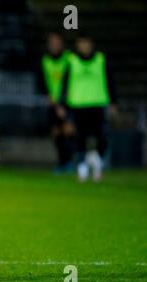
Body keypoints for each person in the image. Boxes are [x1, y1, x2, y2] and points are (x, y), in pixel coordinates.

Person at [58, 33, 117, 182]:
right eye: (81, 43)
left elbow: (110, 82)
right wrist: (61, 105)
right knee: (78, 138)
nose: (84, 46)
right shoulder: (72, 61)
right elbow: (64, 85)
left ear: (91, 44)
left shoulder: (101, 60)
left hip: (97, 104)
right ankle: (82, 165)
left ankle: (97, 161)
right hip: (77, 105)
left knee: (102, 137)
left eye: (86, 43)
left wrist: (114, 103)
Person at [39, 32, 74, 173]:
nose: (54, 45)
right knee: (56, 133)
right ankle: (61, 163)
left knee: (68, 131)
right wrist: (47, 95)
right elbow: (41, 81)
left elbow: (71, 81)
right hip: (52, 103)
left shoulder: (69, 59)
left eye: (56, 42)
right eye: (51, 43)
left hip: (67, 102)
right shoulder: (45, 60)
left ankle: (69, 162)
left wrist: (63, 102)